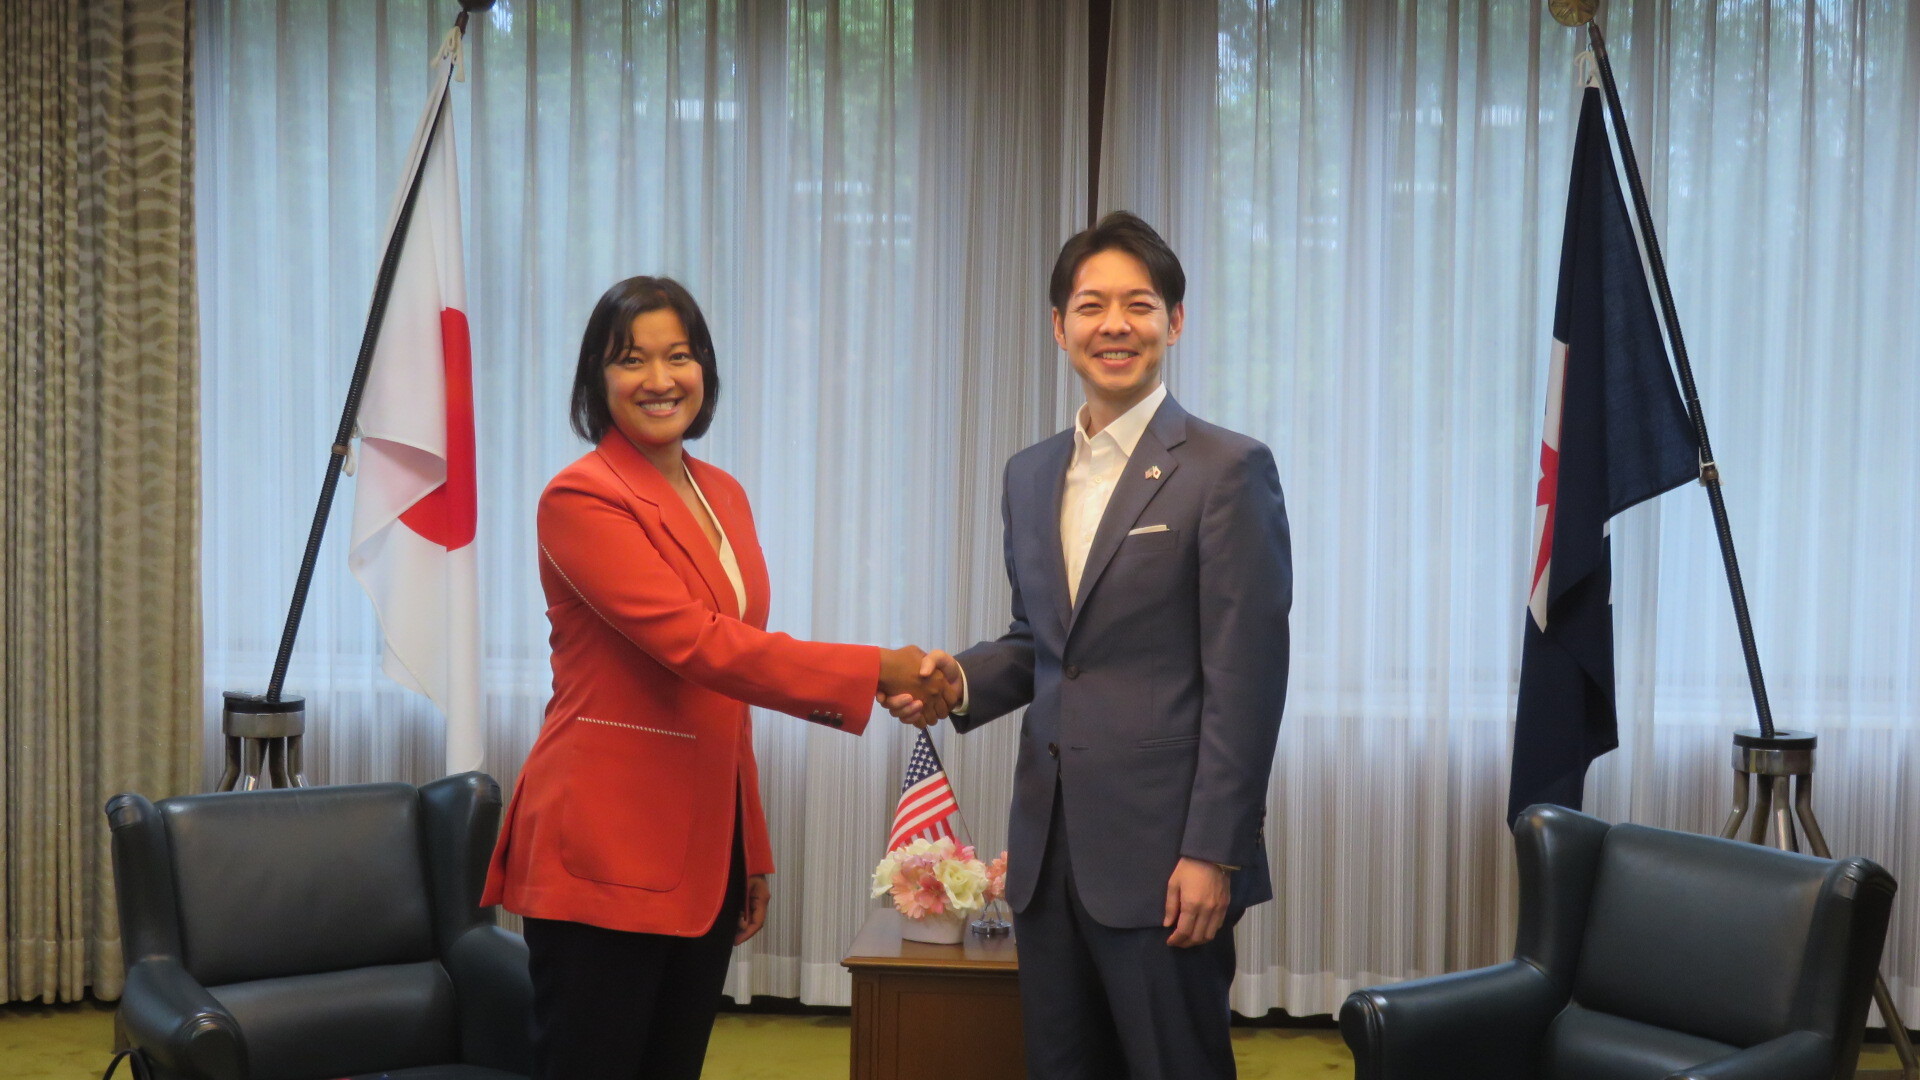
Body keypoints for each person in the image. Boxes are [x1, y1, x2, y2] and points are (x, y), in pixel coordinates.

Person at [483, 276, 948, 1080]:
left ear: (706, 368)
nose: (660, 379)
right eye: (632, 360)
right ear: (598, 378)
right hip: (606, 845)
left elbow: (730, 683)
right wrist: (876, 668)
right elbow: (698, 646)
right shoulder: (580, 497)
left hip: (704, 846)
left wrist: (749, 843)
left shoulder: (721, 492)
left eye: (680, 355)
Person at [885, 212, 1291, 1079]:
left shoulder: (1227, 469)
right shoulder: (1029, 474)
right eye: (1091, 305)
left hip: (1166, 858)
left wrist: (1213, 850)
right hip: (1047, 852)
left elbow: (1246, 683)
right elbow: (1043, 643)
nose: (1115, 325)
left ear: (1174, 322)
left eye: (1138, 305)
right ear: (1059, 325)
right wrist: (955, 682)